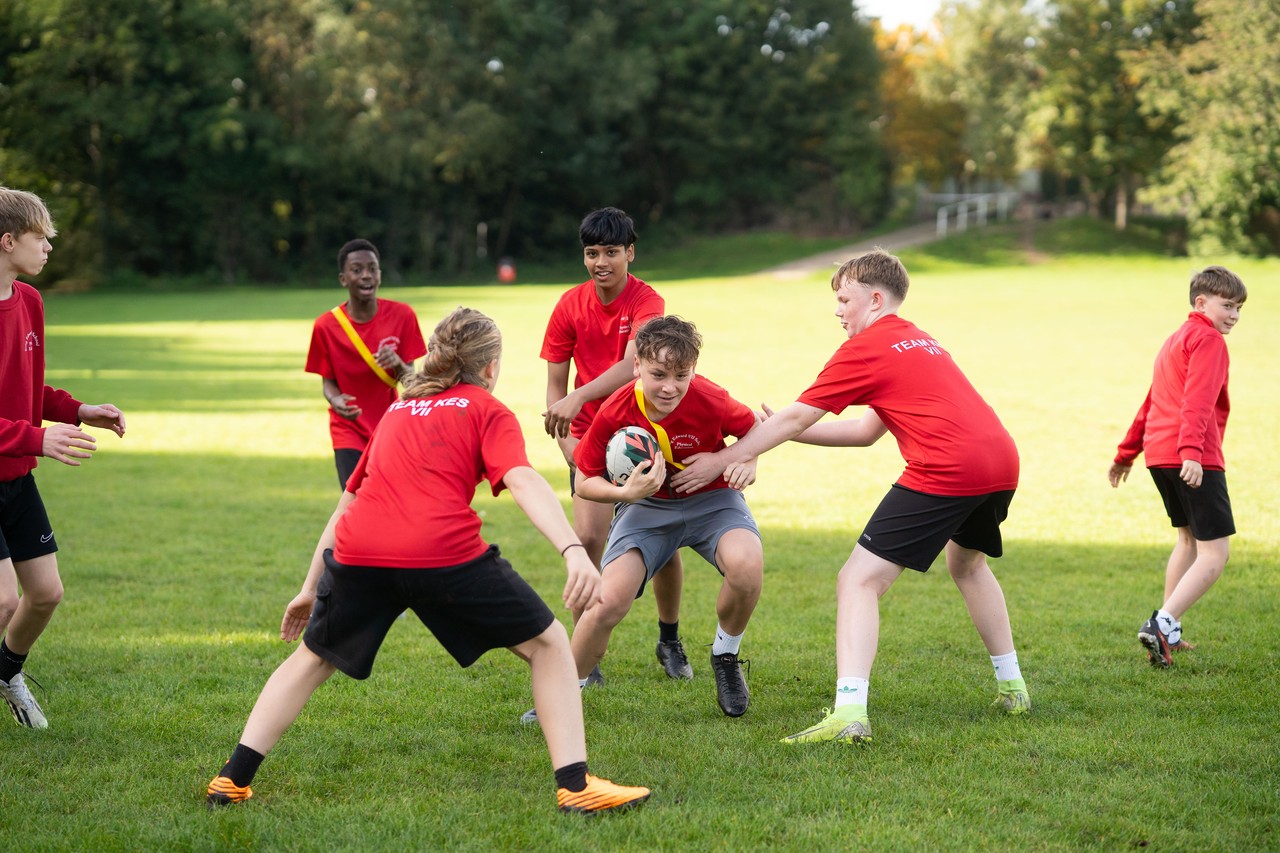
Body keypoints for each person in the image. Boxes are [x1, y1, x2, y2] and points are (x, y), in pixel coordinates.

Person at [206, 308, 650, 814]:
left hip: (360, 553)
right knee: (549, 645)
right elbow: (524, 480)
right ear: (490, 367)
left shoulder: (397, 410)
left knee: (312, 658)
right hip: (441, 552)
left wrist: (311, 587)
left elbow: (347, 503)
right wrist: (573, 551)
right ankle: (576, 786)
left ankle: (231, 780)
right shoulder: (488, 409)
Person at [672, 249, 1030, 744]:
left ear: (876, 299)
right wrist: (777, 432)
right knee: (967, 566)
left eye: (844, 300)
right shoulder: (919, 339)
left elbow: (797, 415)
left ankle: (849, 714)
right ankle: (1013, 688)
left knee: (858, 580)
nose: (837, 310)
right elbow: (864, 432)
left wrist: (723, 458)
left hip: (948, 467)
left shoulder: (866, 349)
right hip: (1001, 462)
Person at [568, 315, 763, 718]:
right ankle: (563, 695)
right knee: (607, 601)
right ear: (636, 365)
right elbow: (585, 481)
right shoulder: (616, 408)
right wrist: (625, 493)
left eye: (681, 375)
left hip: (713, 500)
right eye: (658, 374)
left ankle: (725, 656)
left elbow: (755, 429)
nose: (670, 387)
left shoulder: (711, 397)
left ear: (694, 369)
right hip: (647, 507)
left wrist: (747, 462)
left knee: (747, 567)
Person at [540, 208, 689, 685]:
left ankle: (669, 639)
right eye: (591, 253)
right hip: (590, 435)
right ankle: (588, 657)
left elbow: (633, 366)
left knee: (663, 543)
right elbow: (555, 388)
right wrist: (569, 445)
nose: (600, 262)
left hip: (644, 432)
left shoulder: (647, 301)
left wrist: (578, 396)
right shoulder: (569, 305)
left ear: (630, 253)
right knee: (587, 541)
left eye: (610, 252)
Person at [0, 187, 127, 729]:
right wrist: (38, 438)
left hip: (14, 476)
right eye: (40, 237)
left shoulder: (30, 301)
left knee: (46, 593)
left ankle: (7, 672)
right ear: (8, 241)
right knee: (3, 601)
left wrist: (78, 411)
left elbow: (27, 388)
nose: (49, 247)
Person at [1108, 266, 1246, 668]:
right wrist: (1192, 453)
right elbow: (1198, 399)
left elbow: (1150, 402)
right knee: (1215, 553)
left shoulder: (1174, 340)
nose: (1234, 315)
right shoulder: (1209, 340)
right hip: (1191, 456)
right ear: (1201, 302)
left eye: (1239, 308)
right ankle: (1161, 624)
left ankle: (1169, 631)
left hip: (1159, 455)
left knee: (1188, 541)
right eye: (1227, 306)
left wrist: (1125, 453)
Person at [306, 238, 426, 489]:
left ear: (379, 275)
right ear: (343, 279)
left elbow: (412, 382)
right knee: (354, 501)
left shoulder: (403, 315)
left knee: (392, 498)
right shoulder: (325, 326)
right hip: (347, 429)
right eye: (357, 269)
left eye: (372, 268)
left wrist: (398, 364)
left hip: (390, 426)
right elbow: (328, 383)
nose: (366, 275)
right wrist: (335, 400)